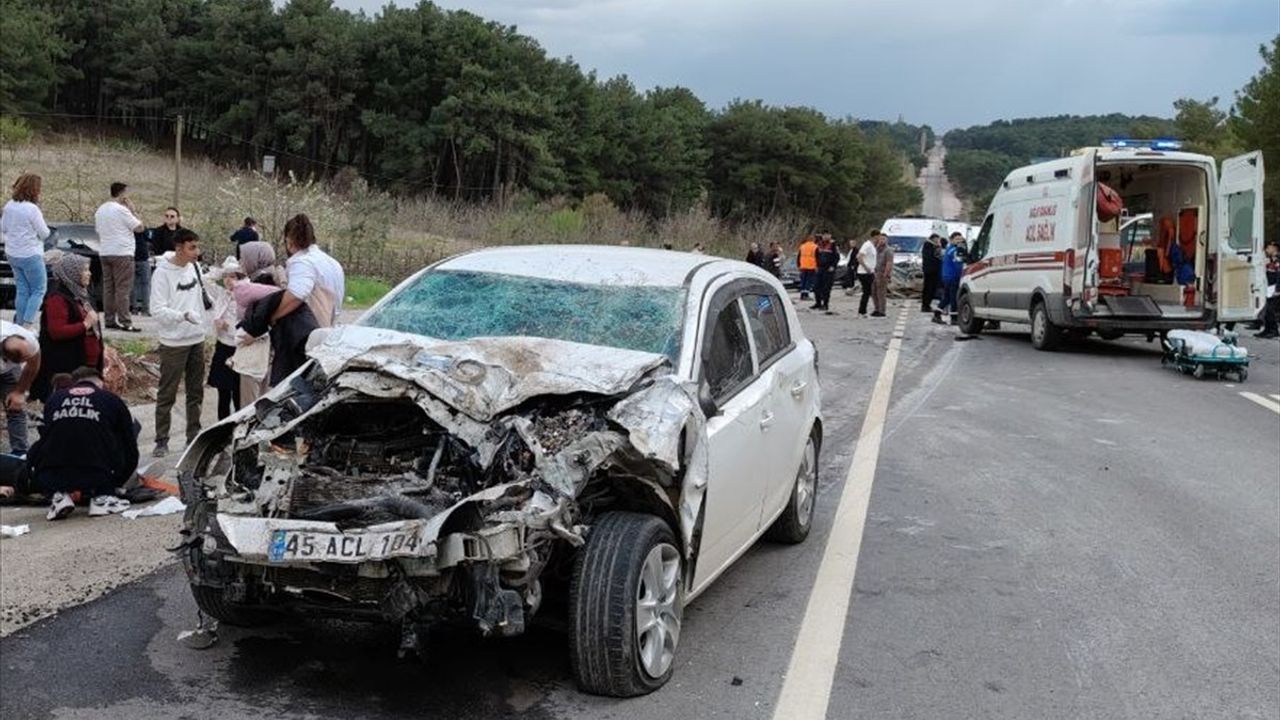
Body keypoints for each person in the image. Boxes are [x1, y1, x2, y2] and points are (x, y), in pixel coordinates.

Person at [28, 367, 137, 520]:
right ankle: (102, 496)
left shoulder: (54, 399)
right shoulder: (111, 399)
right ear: (100, 383)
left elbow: (46, 440)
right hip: (99, 474)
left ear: (74, 383)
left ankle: (59, 495)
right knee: (116, 438)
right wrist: (116, 482)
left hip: (53, 476)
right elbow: (130, 448)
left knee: (47, 442)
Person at [150, 229, 208, 457]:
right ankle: (161, 440)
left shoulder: (194, 267)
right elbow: (157, 309)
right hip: (173, 341)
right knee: (167, 393)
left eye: (197, 247)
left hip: (197, 337)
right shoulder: (162, 273)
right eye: (192, 247)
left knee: (196, 391)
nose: (197, 252)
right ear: (179, 248)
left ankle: (193, 434)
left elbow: (200, 296)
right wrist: (182, 315)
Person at [33, 254, 103, 402]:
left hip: (87, 364)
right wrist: (85, 324)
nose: (89, 273)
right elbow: (56, 332)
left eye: (88, 269)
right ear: (72, 273)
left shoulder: (80, 295)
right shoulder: (58, 298)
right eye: (84, 270)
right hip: (67, 366)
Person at [273, 213, 345, 329]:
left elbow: (296, 295)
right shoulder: (332, 262)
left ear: (289, 241)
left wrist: (272, 318)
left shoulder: (303, 262)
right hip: (329, 327)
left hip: (309, 332)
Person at [1, 174, 52, 328]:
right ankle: (27, 324)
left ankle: (19, 323)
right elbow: (44, 233)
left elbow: (3, 228)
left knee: (22, 289)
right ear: (34, 190)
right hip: (30, 254)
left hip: (12, 253)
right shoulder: (32, 209)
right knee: (38, 290)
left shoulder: (9, 205)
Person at [94, 182, 146, 332]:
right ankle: (125, 321)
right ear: (122, 194)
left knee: (108, 288)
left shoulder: (100, 210)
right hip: (122, 252)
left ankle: (109, 319)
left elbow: (98, 230)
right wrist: (133, 210)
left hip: (105, 251)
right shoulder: (122, 210)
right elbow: (139, 227)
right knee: (123, 288)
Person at [207, 257, 242, 420]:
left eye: (233, 276)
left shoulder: (244, 297)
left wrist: (227, 326)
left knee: (237, 393)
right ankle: (222, 427)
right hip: (222, 346)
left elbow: (247, 329)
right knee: (222, 393)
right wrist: (221, 271)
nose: (229, 280)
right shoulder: (222, 294)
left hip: (238, 349)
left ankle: (238, 426)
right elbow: (206, 280)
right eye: (226, 277)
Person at [0, 321, 39, 456]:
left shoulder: (28, 340)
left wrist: (20, 392)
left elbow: (33, 364)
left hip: (10, 372)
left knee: (15, 407)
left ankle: (20, 452)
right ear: (7, 358)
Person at [935, 232, 967, 325]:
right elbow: (959, 264)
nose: (959, 241)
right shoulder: (955, 251)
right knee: (953, 298)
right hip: (952, 276)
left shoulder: (950, 249)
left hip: (948, 276)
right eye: (957, 239)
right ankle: (954, 318)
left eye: (961, 239)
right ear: (951, 240)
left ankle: (937, 314)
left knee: (947, 297)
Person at [1256, 241, 1280, 339]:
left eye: (1268, 247)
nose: (1266, 249)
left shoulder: (1278, 259)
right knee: (1266, 309)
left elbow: (1279, 275)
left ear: (1274, 248)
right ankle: (1267, 329)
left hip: (1275, 289)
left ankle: (1274, 330)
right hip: (1269, 288)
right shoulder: (1272, 259)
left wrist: (1278, 289)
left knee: (1271, 310)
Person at [812, 237, 839, 312]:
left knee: (826, 288)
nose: (825, 237)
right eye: (824, 235)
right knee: (816, 287)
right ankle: (818, 303)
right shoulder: (819, 245)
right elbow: (816, 256)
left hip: (828, 269)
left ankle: (825, 304)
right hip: (820, 268)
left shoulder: (833, 245)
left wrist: (833, 266)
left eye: (827, 235)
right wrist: (816, 265)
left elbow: (837, 257)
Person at [854, 231, 877, 317]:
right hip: (864, 272)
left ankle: (863, 310)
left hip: (870, 272)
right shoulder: (867, 245)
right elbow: (859, 257)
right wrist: (866, 267)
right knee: (866, 291)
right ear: (875, 236)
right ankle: (862, 311)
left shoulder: (872, 246)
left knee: (868, 292)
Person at [921, 233, 943, 313]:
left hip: (931, 270)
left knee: (930, 288)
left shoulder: (930, 246)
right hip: (930, 271)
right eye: (937, 239)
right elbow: (935, 257)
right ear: (933, 239)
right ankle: (925, 305)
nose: (938, 241)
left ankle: (926, 305)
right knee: (929, 288)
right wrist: (938, 247)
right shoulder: (929, 246)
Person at [872, 232, 893, 317]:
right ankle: (876, 309)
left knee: (881, 293)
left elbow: (889, 263)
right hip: (874, 272)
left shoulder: (888, 250)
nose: (882, 241)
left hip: (882, 273)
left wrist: (886, 274)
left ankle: (882, 311)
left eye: (884, 239)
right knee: (874, 292)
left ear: (887, 240)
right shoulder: (876, 249)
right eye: (880, 239)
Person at [796, 235, 818, 300]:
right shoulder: (815, 247)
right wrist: (817, 266)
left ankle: (802, 295)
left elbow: (799, 256)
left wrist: (798, 265)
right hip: (811, 266)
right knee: (809, 281)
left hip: (803, 266)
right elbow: (817, 257)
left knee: (803, 281)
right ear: (813, 240)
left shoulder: (802, 246)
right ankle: (806, 295)